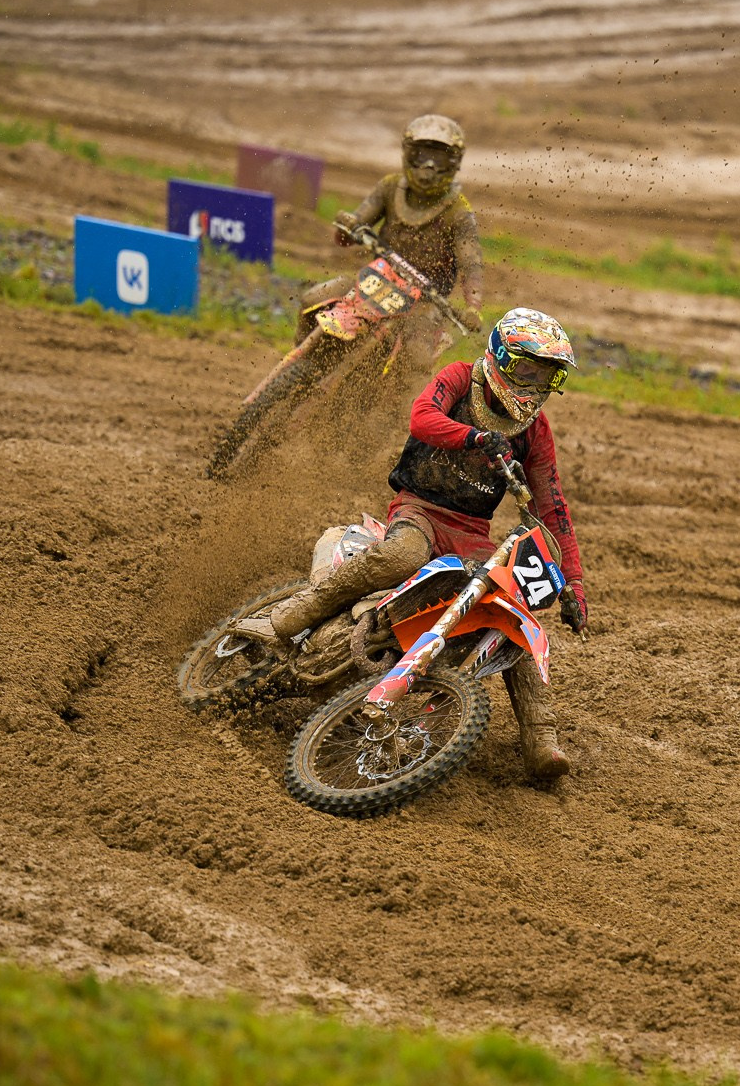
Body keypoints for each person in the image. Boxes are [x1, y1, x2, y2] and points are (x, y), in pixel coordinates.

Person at [238, 308, 589, 779]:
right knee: (402, 555)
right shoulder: (461, 379)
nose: (534, 385)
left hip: (470, 533)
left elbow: (553, 507)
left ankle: (541, 738)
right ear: (501, 358)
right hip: (419, 507)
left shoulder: (535, 431)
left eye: (547, 376)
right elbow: (422, 418)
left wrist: (574, 586)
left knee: (515, 609)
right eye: (528, 370)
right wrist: (473, 437)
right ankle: (293, 613)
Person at [298, 114, 485, 355]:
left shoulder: (458, 211)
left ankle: (396, 381)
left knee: (417, 353)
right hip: (374, 283)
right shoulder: (389, 187)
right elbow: (349, 232)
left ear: (455, 162)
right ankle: (302, 360)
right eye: (421, 155)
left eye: (439, 159)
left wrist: (473, 307)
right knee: (312, 299)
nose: (428, 167)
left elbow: (471, 264)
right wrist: (348, 226)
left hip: (424, 302)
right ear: (407, 154)